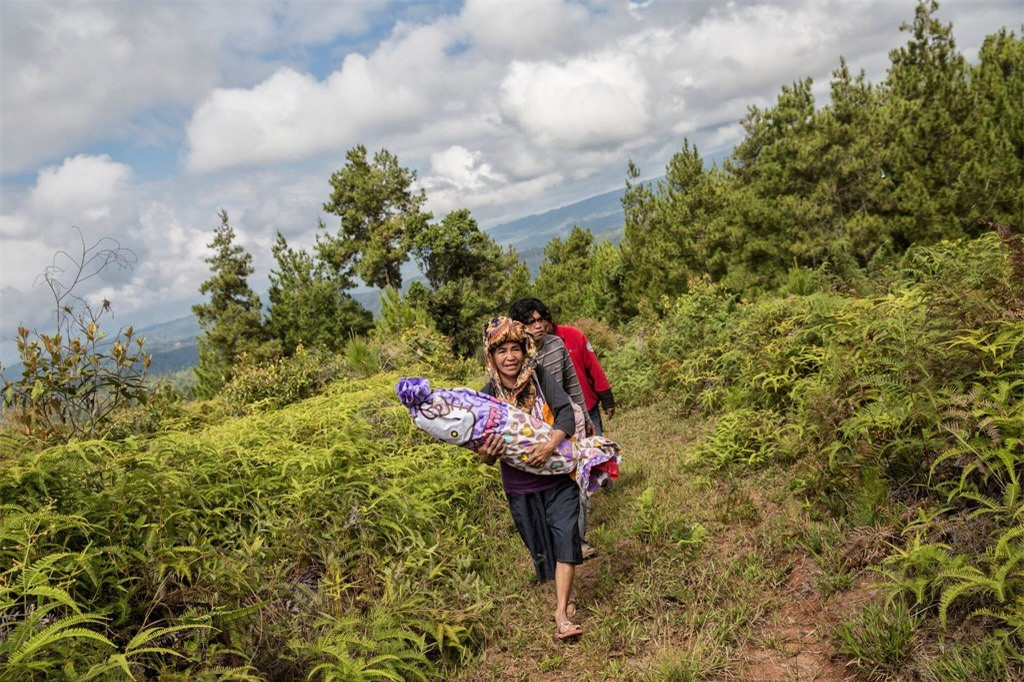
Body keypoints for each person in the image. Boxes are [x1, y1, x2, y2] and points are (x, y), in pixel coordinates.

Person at [477, 316, 584, 641]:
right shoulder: (486, 398)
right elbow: (481, 449)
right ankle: (565, 594)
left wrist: (551, 443)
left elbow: (564, 411)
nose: (510, 357)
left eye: (515, 349)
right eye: (501, 351)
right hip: (521, 488)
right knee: (543, 548)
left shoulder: (538, 378)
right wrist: (488, 454)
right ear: (490, 356)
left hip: (557, 477)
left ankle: (561, 613)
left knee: (566, 534)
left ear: (526, 351)